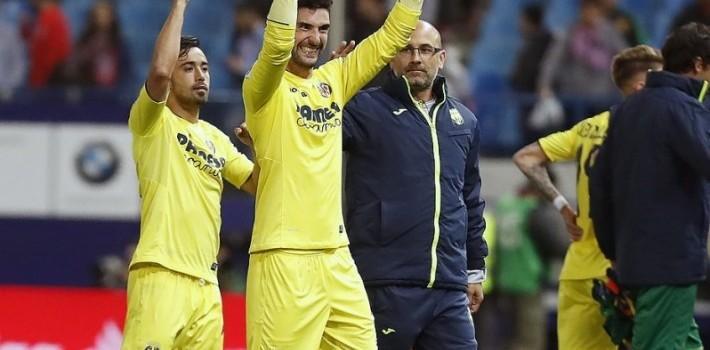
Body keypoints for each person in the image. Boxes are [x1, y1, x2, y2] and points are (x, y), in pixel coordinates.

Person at [241, 0, 422, 348]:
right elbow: (277, 47)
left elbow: (391, 36)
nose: (314, 38)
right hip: (284, 257)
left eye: (322, 29)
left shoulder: (333, 79)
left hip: (336, 255)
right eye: (304, 27)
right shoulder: (262, 88)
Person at [121, 0, 258, 348]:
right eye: (188, 68)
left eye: (205, 67)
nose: (201, 75)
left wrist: (261, 145)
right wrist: (180, 5)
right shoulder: (152, 122)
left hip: (207, 288)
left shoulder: (216, 138)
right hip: (160, 277)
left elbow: (258, 183)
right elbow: (159, 74)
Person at [341, 20, 486, 350]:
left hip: (449, 287)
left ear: (442, 57)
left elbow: (470, 199)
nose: (416, 58)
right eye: (406, 50)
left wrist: (474, 268)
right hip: (385, 282)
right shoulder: (364, 109)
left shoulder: (464, 121)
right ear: (391, 59)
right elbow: (311, 137)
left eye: (425, 50)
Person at [513, 44, 664, 350]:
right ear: (641, 87)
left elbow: (526, 158)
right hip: (626, 271)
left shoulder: (589, 127)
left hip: (579, 272)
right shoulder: (649, 130)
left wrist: (562, 206)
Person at [590, 22, 710, 349]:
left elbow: (598, 186)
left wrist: (614, 250)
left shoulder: (625, 111)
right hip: (670, 261)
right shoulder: (683, 108)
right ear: (698, 65)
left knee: (684, 343)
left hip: (633, 259)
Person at [68, 0, 130, 87]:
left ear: (112, 16)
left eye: (105, 14)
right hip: (90, 91)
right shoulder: (85, 41)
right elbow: (75, 65)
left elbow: (126, 72)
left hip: (114, 94)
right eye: (99, 13)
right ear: (93, 16)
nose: (102, 17)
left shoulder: (119, 43)